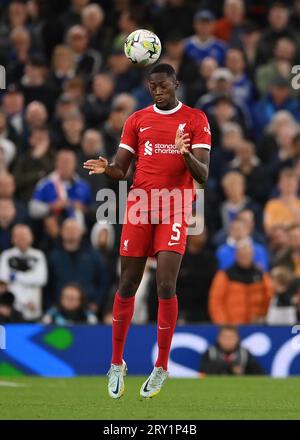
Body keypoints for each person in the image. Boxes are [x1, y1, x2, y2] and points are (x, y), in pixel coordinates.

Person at [83, 63, 211, 399]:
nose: (158, 90)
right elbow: (121, 169)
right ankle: (116, 364)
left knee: (165, 285)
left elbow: (203, 175)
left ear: (175, 83)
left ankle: (161, 366)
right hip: (139, 206)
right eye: (153, 85)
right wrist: (106, 169)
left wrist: (184, 154)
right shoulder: (137, 120)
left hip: (174, 207)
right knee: (126, 283)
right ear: (148, 87)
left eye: (163, 84)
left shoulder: (196, 119)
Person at [209, 242, 272, 324]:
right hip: (232, 326)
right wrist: (223, 325)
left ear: (252, 255)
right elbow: (216, 302)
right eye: (242, 254)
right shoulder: (225, 275)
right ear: (236, 255)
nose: (245, 257)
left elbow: (268, 298)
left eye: (247, 254)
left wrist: (263, 317)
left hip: (256, 325)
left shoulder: (261, 275)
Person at [0, 224, 48, 321]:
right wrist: (24, 301)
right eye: (18, 236)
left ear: (31, 237)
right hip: (12, 307)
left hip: (33, 306)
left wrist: (15, 276)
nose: (22, 239)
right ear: (13, 239)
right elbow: (3, 278)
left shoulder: (38, 255)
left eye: (24, 236)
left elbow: (41, 279)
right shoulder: (6, 255)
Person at [200, 325, 264, 375]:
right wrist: (230, 368)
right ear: (218, 338)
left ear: (238, 338)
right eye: (225, 337)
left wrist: (243, 371)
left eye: (231, 337)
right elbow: (203, 371)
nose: (228, 341)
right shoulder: (210, 352)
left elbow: (258, 372)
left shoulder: (244, 353)